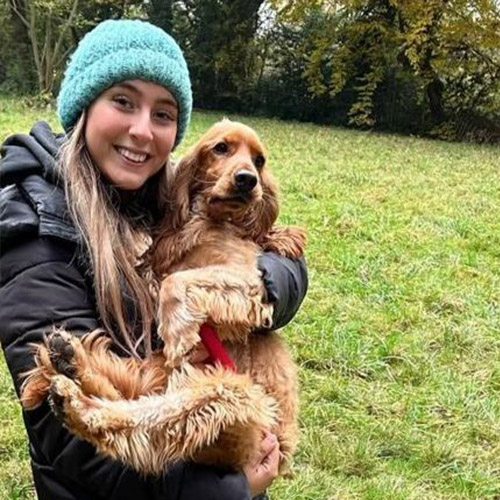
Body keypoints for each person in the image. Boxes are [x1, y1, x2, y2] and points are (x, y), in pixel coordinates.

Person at [0, 19, 308, 500]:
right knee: (95, 381)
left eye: (163, 114)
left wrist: (274, 286)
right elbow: (67, 444)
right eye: (123, 102)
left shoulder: (166, 197)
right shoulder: (31, 228)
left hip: (216, 437)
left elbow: (270, 252)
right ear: (84, 106)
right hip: (141, 482)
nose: (143, 131)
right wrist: (230, 489)